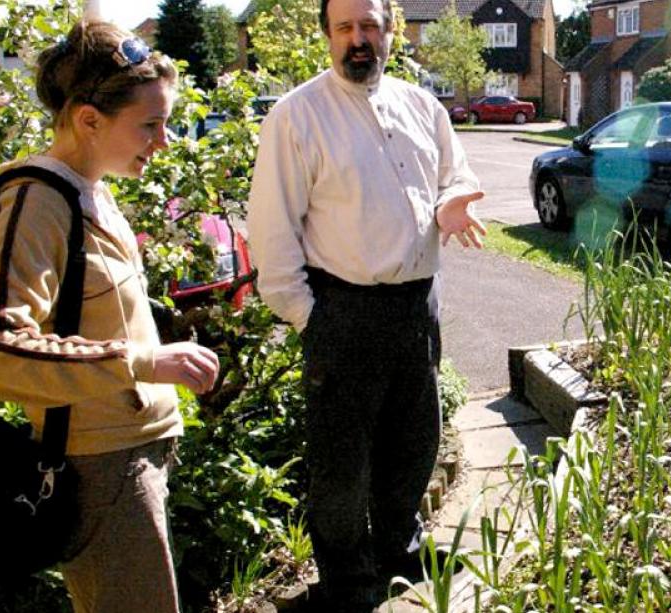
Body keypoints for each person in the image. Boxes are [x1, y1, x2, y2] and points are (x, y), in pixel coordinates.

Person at [246, 0, 486, 609]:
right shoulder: (296, 117)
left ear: (390, 30)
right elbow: (273, 233)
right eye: (346, 27)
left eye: (370, 26)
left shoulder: (423, 106)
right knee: (342, 465)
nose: (359, 39)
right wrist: (309, 316)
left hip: (416, 307)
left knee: (414, 440)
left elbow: (452, 177)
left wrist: (452, 202)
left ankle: (400, 552)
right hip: (341, 311)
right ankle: (348, 583)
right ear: (328, 34)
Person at [0, 21, 219, 613]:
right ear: (89, 120)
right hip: (99, 468)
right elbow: (3, 348)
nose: (164, 140)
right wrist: (144, 362)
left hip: (133, 458)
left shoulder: (90, 190)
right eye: (149, 125)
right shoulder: (37, 202)